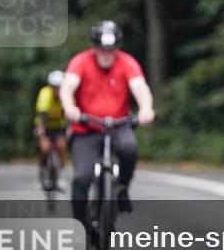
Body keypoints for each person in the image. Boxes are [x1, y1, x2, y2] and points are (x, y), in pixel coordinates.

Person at [60, 20, 155, 226]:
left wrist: (146, 108)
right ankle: (80, 224)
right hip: (86, 128)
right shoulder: (81, 62)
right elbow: (68, 86)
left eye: (111, 50)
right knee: (82, 178)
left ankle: (121, 187)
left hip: (118, 125)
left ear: (117, 48)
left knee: (130, 149)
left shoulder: (127, 62)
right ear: (93, 47)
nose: (106, 54)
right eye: (102, 49)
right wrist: (70, 107)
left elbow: (140, 87)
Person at [34, 69, 68, 190]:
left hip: (59, 125)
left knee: (62, 147)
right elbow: (43, 112)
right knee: (45, 149)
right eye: (55, 87)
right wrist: (41, 130)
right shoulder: (45, 93)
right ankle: (43, 171)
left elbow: (69, 112)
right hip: (45, 125)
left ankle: (59, 177)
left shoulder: (66, 94)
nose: (57, 89)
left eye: (59, 87)